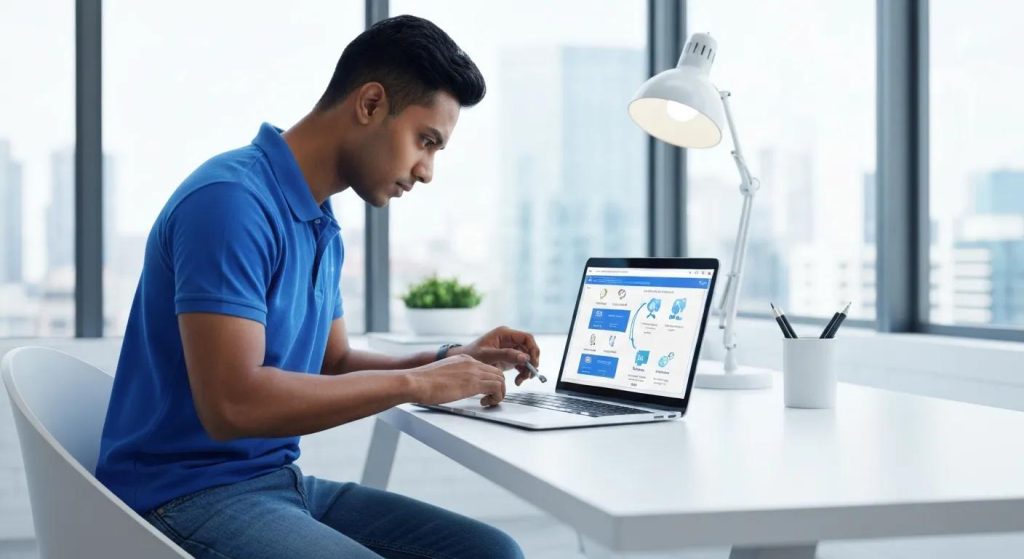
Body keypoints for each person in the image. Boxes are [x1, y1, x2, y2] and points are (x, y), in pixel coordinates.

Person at [96, 15, 537, 559]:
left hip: (276, 485)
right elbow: (231, 405)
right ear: (371, 104)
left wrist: (450, 357)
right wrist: (420, 384)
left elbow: (334, 362)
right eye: (426, 141)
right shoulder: (230, 202)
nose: (427, 171)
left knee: (491, 552)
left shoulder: (320, 223)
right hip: (181, 495)